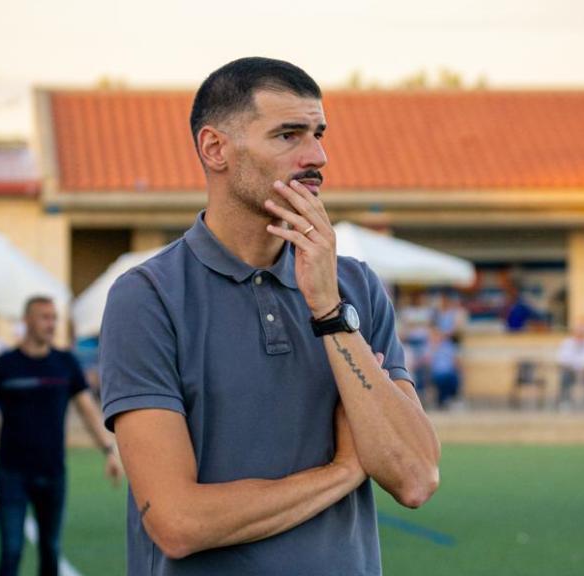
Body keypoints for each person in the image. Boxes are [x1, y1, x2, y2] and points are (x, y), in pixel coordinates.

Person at [100, 57, 440, 575]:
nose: (317, 156)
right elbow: (178, 522)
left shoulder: (357, 288)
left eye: (318, 134)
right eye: (288, 135)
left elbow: (415, 477)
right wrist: (346, 470)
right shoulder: (147, 297)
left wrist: (329, 310)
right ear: (215, 149)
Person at [0, 296, 120, 576]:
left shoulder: (65, 363)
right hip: (11, 475)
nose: (51, 324)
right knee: (11, 550)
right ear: (27, 321)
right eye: (45, 317)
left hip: (53, 473)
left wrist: (109, 449)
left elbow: (88, 411)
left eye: (54, 317)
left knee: (50, 550)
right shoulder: (4, 365)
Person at [556, 323, 584, 408]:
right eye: (579, 333)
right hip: (571, 371)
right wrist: (578, 366)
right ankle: (565, 401)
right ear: (574, 333)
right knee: (565, 376)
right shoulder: (567, 343)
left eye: (583, 333)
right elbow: (562, 360)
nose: (581, 335)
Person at [426, 329, 463, 410]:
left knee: (451, 378)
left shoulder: (448, 346)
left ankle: (444, 401)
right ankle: (443, 401)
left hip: (449, 372)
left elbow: (456, 360)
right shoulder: (429, 348)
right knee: (442, 379)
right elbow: (427, 363)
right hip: (436, 374)